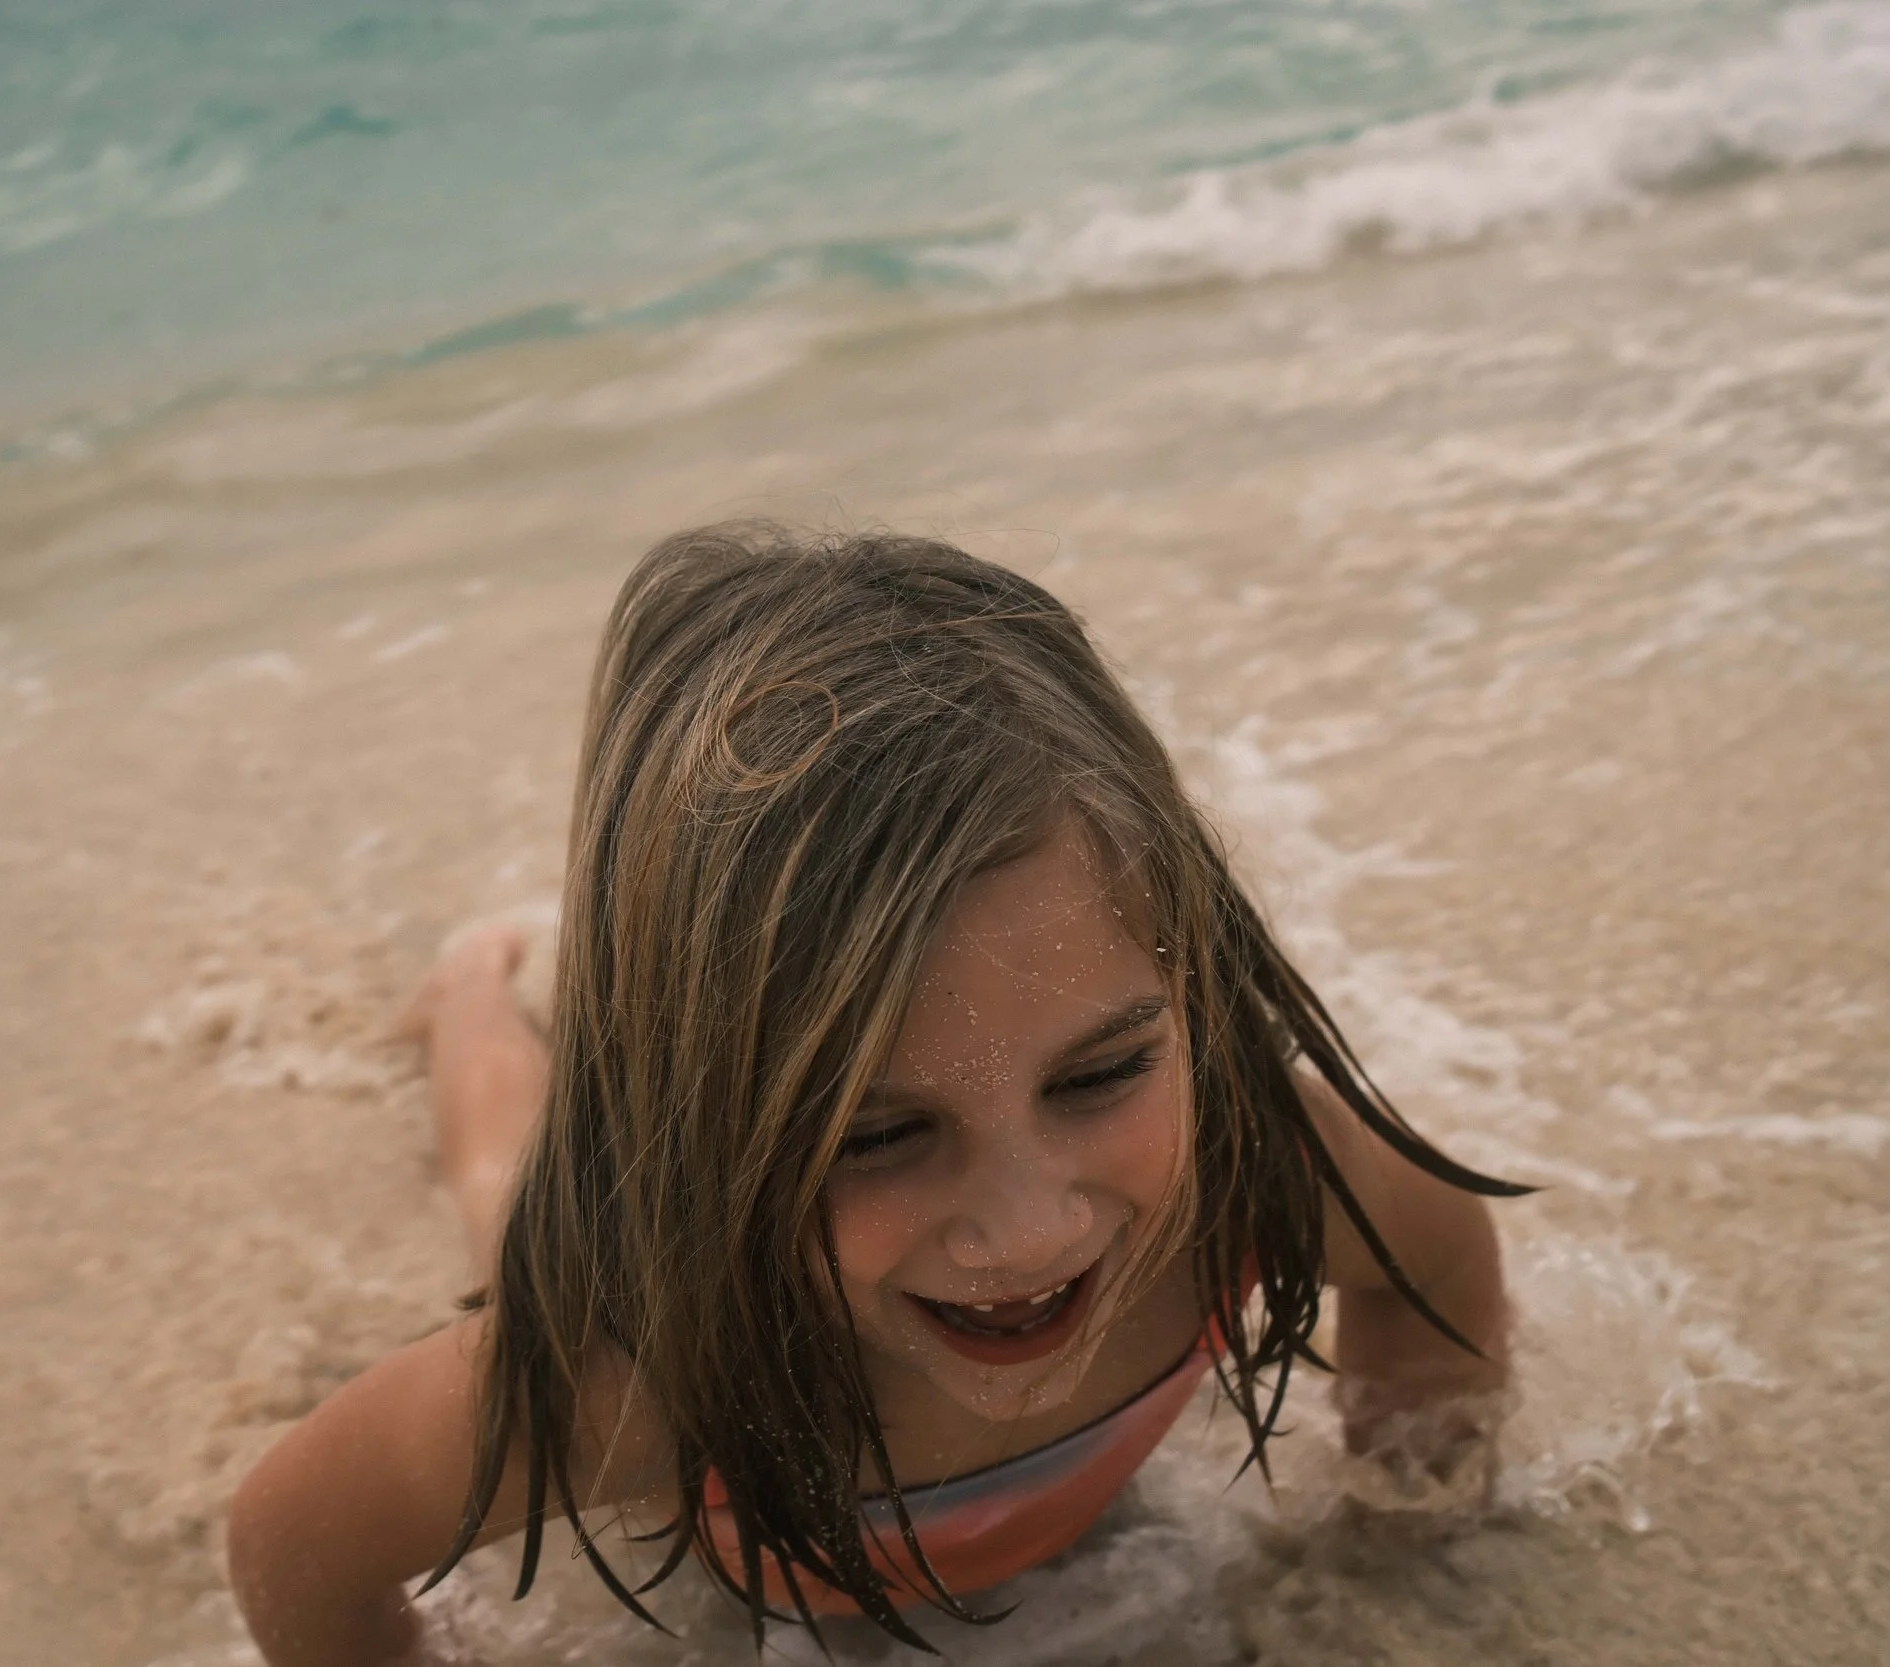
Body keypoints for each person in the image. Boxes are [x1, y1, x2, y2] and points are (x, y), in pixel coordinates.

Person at [228, 524, 1522, 1665]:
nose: (1027, 1228)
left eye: (1103, 1069)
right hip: (687, 1330)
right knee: (507, 1186)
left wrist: (1406, 1522)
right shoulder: (631, 1380)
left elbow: (1441, 1259)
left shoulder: (1260, 1177)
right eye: (882, 1134)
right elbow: (294, 1538)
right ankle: (471, 992)